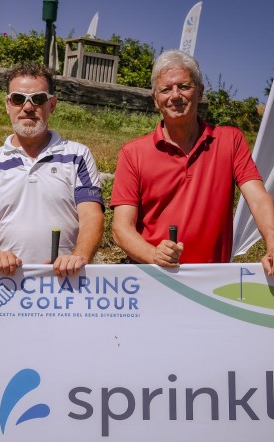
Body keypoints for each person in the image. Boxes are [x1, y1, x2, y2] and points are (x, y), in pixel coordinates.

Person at [110, 50, 274, 275]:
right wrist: (154, 255)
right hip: (152, 276)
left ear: (200, 92)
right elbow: (121, 228)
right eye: (166, 89)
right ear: (155, 99)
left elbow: (258, 198)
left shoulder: (230, 140)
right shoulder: (133, 153)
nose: (175, 95)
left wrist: (272, 242)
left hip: (212, 281)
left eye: (184, 86)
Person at [0, 63, 105, 277]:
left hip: (64, 279)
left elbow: (91, 216)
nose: (28, 107)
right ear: (8, 104)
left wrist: (79, 256)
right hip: (5, 280)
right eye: (18, 99)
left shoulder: (78, 155)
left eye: (38, 99)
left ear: (52, 104)